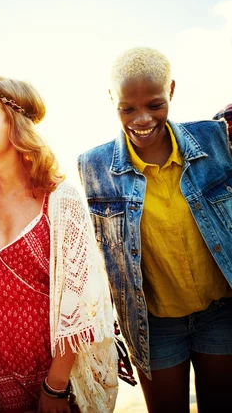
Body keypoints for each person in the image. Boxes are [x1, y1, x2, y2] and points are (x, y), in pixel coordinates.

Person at [78, 47, 232, 412]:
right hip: (153, 323)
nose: (142, 118)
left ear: (172, 91)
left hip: (219, 311)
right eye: (127, 108)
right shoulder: (94, 165)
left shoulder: (215, 139)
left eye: (155, 104)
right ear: (112, 99)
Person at [0, 78, 118, 413]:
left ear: (13, 124)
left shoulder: (60, 200)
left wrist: (56, 385)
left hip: (61, 370)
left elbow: (82, 299)